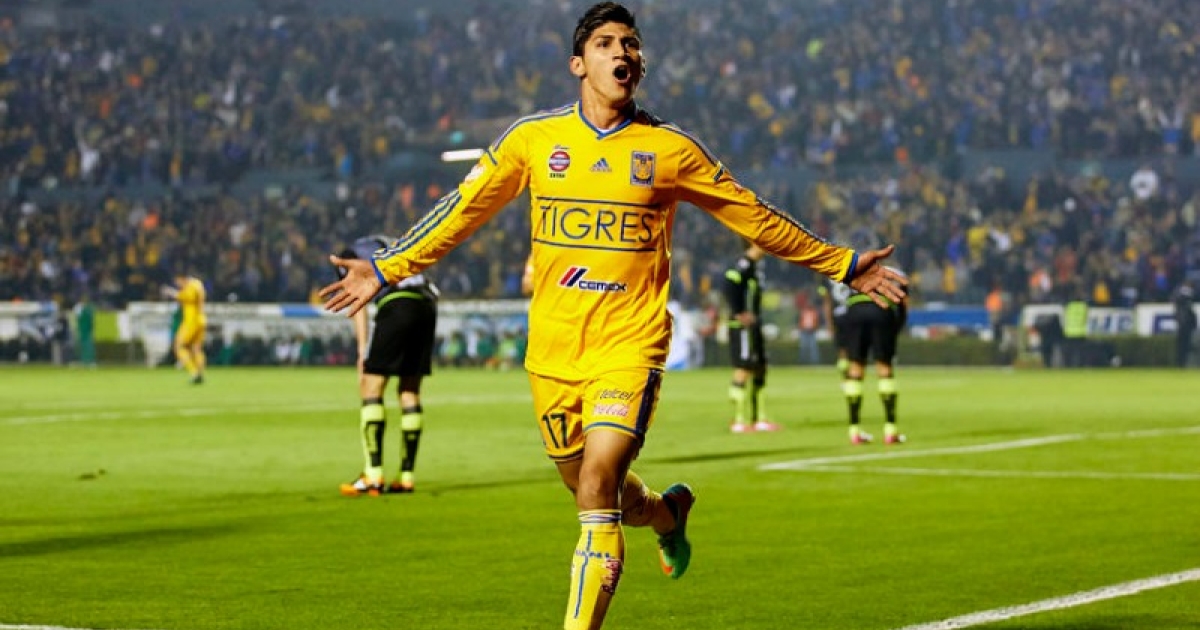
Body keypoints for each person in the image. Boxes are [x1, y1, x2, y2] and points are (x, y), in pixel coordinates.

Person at [319, 4, 906, 628]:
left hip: (630, 344)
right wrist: (386, 267)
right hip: (553, 352)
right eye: (605, 43)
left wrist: (843, 264)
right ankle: (667, 514)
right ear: (578, 64)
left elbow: (753, 215)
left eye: (631, 43)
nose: (622, 51)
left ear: (640, 65)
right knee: (592, 490)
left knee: (598, 485)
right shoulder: (533, 140)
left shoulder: (670, 149)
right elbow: (460, 211)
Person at [337, 236, 441, 497]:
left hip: (397, 303)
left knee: (371, 386)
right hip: (427, 304)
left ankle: (372, 476)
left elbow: (357, 301)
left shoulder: (350, 254)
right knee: (409, 389)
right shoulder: (392, 243)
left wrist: (362, 351)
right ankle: (406, 477)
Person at [840, 267, 910, 445]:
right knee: (884, 367)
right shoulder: (896, 273)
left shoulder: (857, 269)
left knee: (855, 368)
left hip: (854, 310)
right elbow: (904, 302)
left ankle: (854, 431)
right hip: (881, 310)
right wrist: (896, 328)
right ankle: (890, 431)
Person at [723, 243, 779, 433]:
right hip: (742, 327)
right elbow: (729, 283)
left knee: (760, 368)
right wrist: (738, 312)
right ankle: (738, 421)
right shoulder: (743, 264)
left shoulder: (755, 267)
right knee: (744, 367)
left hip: (753, 325)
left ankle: (759, 418)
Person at [162, 272, 207, 384]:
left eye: (177, 281)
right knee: (196, 348)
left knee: (179, 346)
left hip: (191, 321)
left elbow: (186, 297)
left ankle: (194, 373)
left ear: (182, 278)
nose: (178, 284)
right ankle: (201, 374)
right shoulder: (199, 284)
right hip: (201, 319)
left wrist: (171, 292)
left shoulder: (191, 285)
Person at [820, 278, 852, 377]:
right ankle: (853, 372)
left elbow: (827, 301)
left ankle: (845, 374)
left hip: (837, 316)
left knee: (842, 349)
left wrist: (829, 322)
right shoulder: (852, 273)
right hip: (853, 313)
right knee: (853, 346)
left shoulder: (827, 279)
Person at [1173, 282, 1197, 367]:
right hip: (1184, 325)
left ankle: (1182, 363)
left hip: (1184, 325)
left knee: (1183, 346)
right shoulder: (1183, 306)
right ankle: (1181, 363)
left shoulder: (1183, 308)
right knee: (1183, 346)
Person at [73, 295, 96, 368]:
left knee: (88, 345)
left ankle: (89, 361)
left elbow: (90, 320)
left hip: (87, 330)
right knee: (83, 345)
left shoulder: (89, 309)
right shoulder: (79, 308)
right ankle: (83, 361)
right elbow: (77, 318)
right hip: (82, 329)